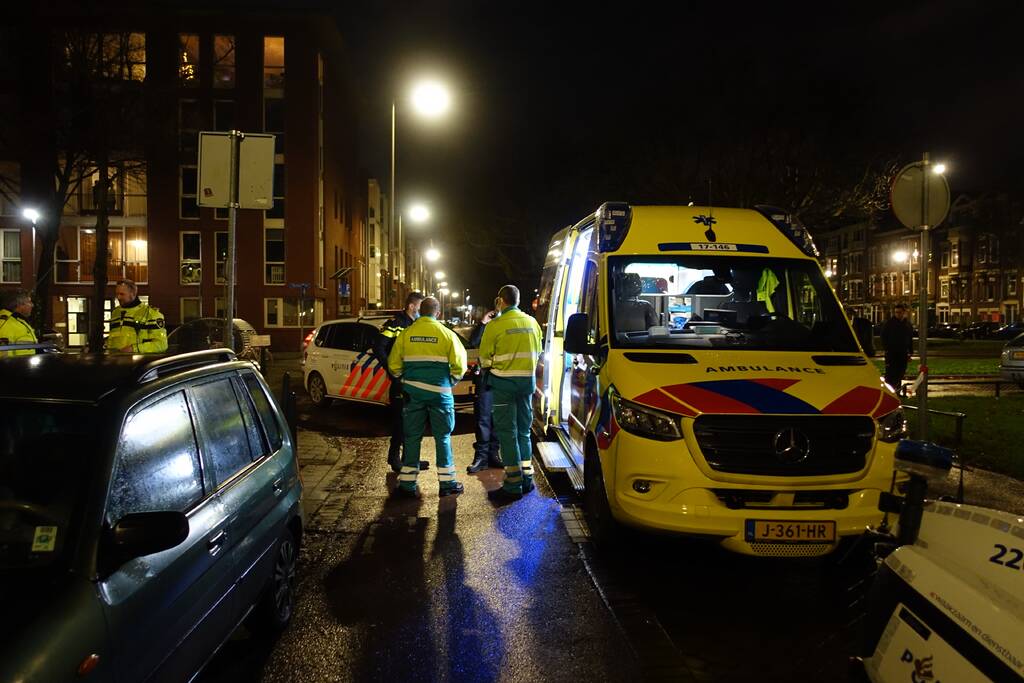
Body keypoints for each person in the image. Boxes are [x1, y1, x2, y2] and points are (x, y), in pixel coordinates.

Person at [387, 296, 467, 498]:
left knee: (412, 437)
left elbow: (393, 365)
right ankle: (447, 484)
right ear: (437, 313)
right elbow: (460, 366)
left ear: (420, 312)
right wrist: (449, 382)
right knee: (443, 437)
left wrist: (405, 380)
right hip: (440, 394)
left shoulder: (406, 334)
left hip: (413, 393)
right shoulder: (447, 334)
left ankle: (407, 485)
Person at [479, 284, 543, 502]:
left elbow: (485, 359)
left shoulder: (495, 325)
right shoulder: (532, 322)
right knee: (524, 431)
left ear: (500, 301)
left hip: (503, 385)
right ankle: (527, 479)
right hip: (527, 384)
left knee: (508, 433)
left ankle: (513, 484)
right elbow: (538, 351)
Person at [374, 291, 427, 473]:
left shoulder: (417, 325)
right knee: (400, 421)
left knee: (413, 420)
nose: (421, 310)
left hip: (414, 378)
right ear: (411, 306)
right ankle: (394, 457)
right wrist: (391, 369)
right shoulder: (395, 324)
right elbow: (378, 347)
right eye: (420, 306)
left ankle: (410, 458)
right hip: (400, 379)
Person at [466, 301, 502, 474]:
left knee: (498, 419)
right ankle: (481, 457)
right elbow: (474, 341)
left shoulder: (508, 324)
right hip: (485, 377)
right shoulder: (487, 325)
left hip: (503, 377)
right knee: (483, 417)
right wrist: (483, 323)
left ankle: (494, 454)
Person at [106, 279, 167, 353]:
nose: (118, 297)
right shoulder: (115, 313)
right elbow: (112, 339)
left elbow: (161, 344)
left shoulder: (151, 314)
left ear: (133, 294)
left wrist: (134, 349)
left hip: (139, 359)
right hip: (115, 359)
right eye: (117, 294)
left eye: (122, 294)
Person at [881, 303, 914, 391]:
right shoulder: (889, 323)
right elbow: (883, 337)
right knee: (891, 374)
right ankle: (889, 391)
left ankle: (897, 390)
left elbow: (909, 338)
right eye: (896, 312)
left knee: (900, 373)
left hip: (903, 353)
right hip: (892, 353)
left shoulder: (907, 324)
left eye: (899, 312)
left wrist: (910, 352)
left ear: (904, 312)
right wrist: (887, 349)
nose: (898, 314)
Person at [0, 290, 38, 357]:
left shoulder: (17, 320)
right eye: (29, 302)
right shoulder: (6, 323)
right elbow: (4, 355)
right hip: (20, 363)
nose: (32, 305)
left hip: (26, 362)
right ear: (19, 304)